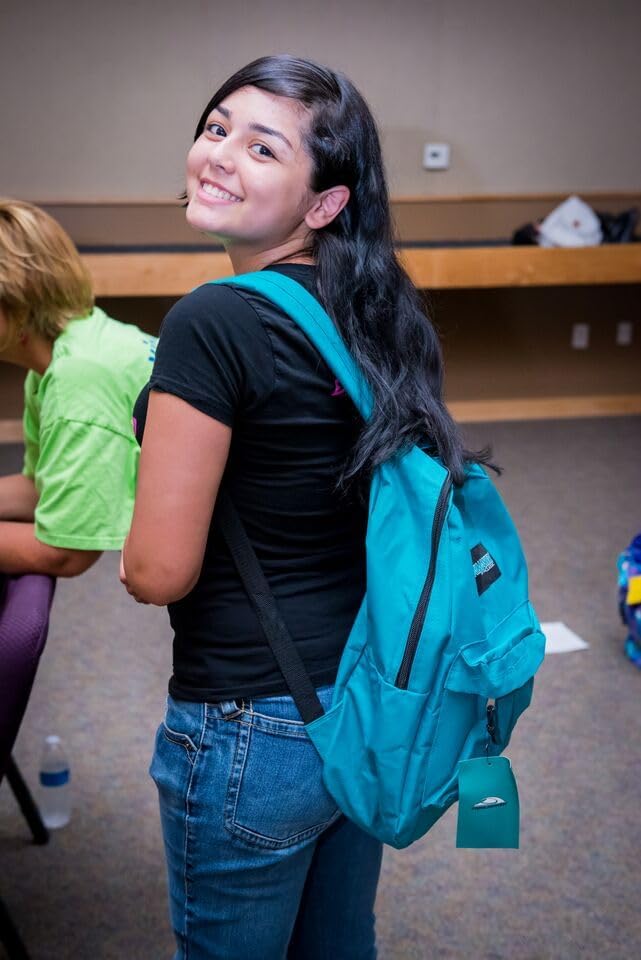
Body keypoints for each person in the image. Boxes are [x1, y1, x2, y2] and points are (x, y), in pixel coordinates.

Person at [121, 55, 472, 959]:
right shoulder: (379, 312)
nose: (219, 155)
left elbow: (158, 573)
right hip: (360, 696)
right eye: (215, 128)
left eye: (261, 146)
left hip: (248, 723)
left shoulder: (214, 320)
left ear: (322, 204)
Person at [0, 200, 157, 576]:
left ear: (19, 300)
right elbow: (43, 485)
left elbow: (65, 552)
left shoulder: (79, 377)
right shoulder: (67, 352)